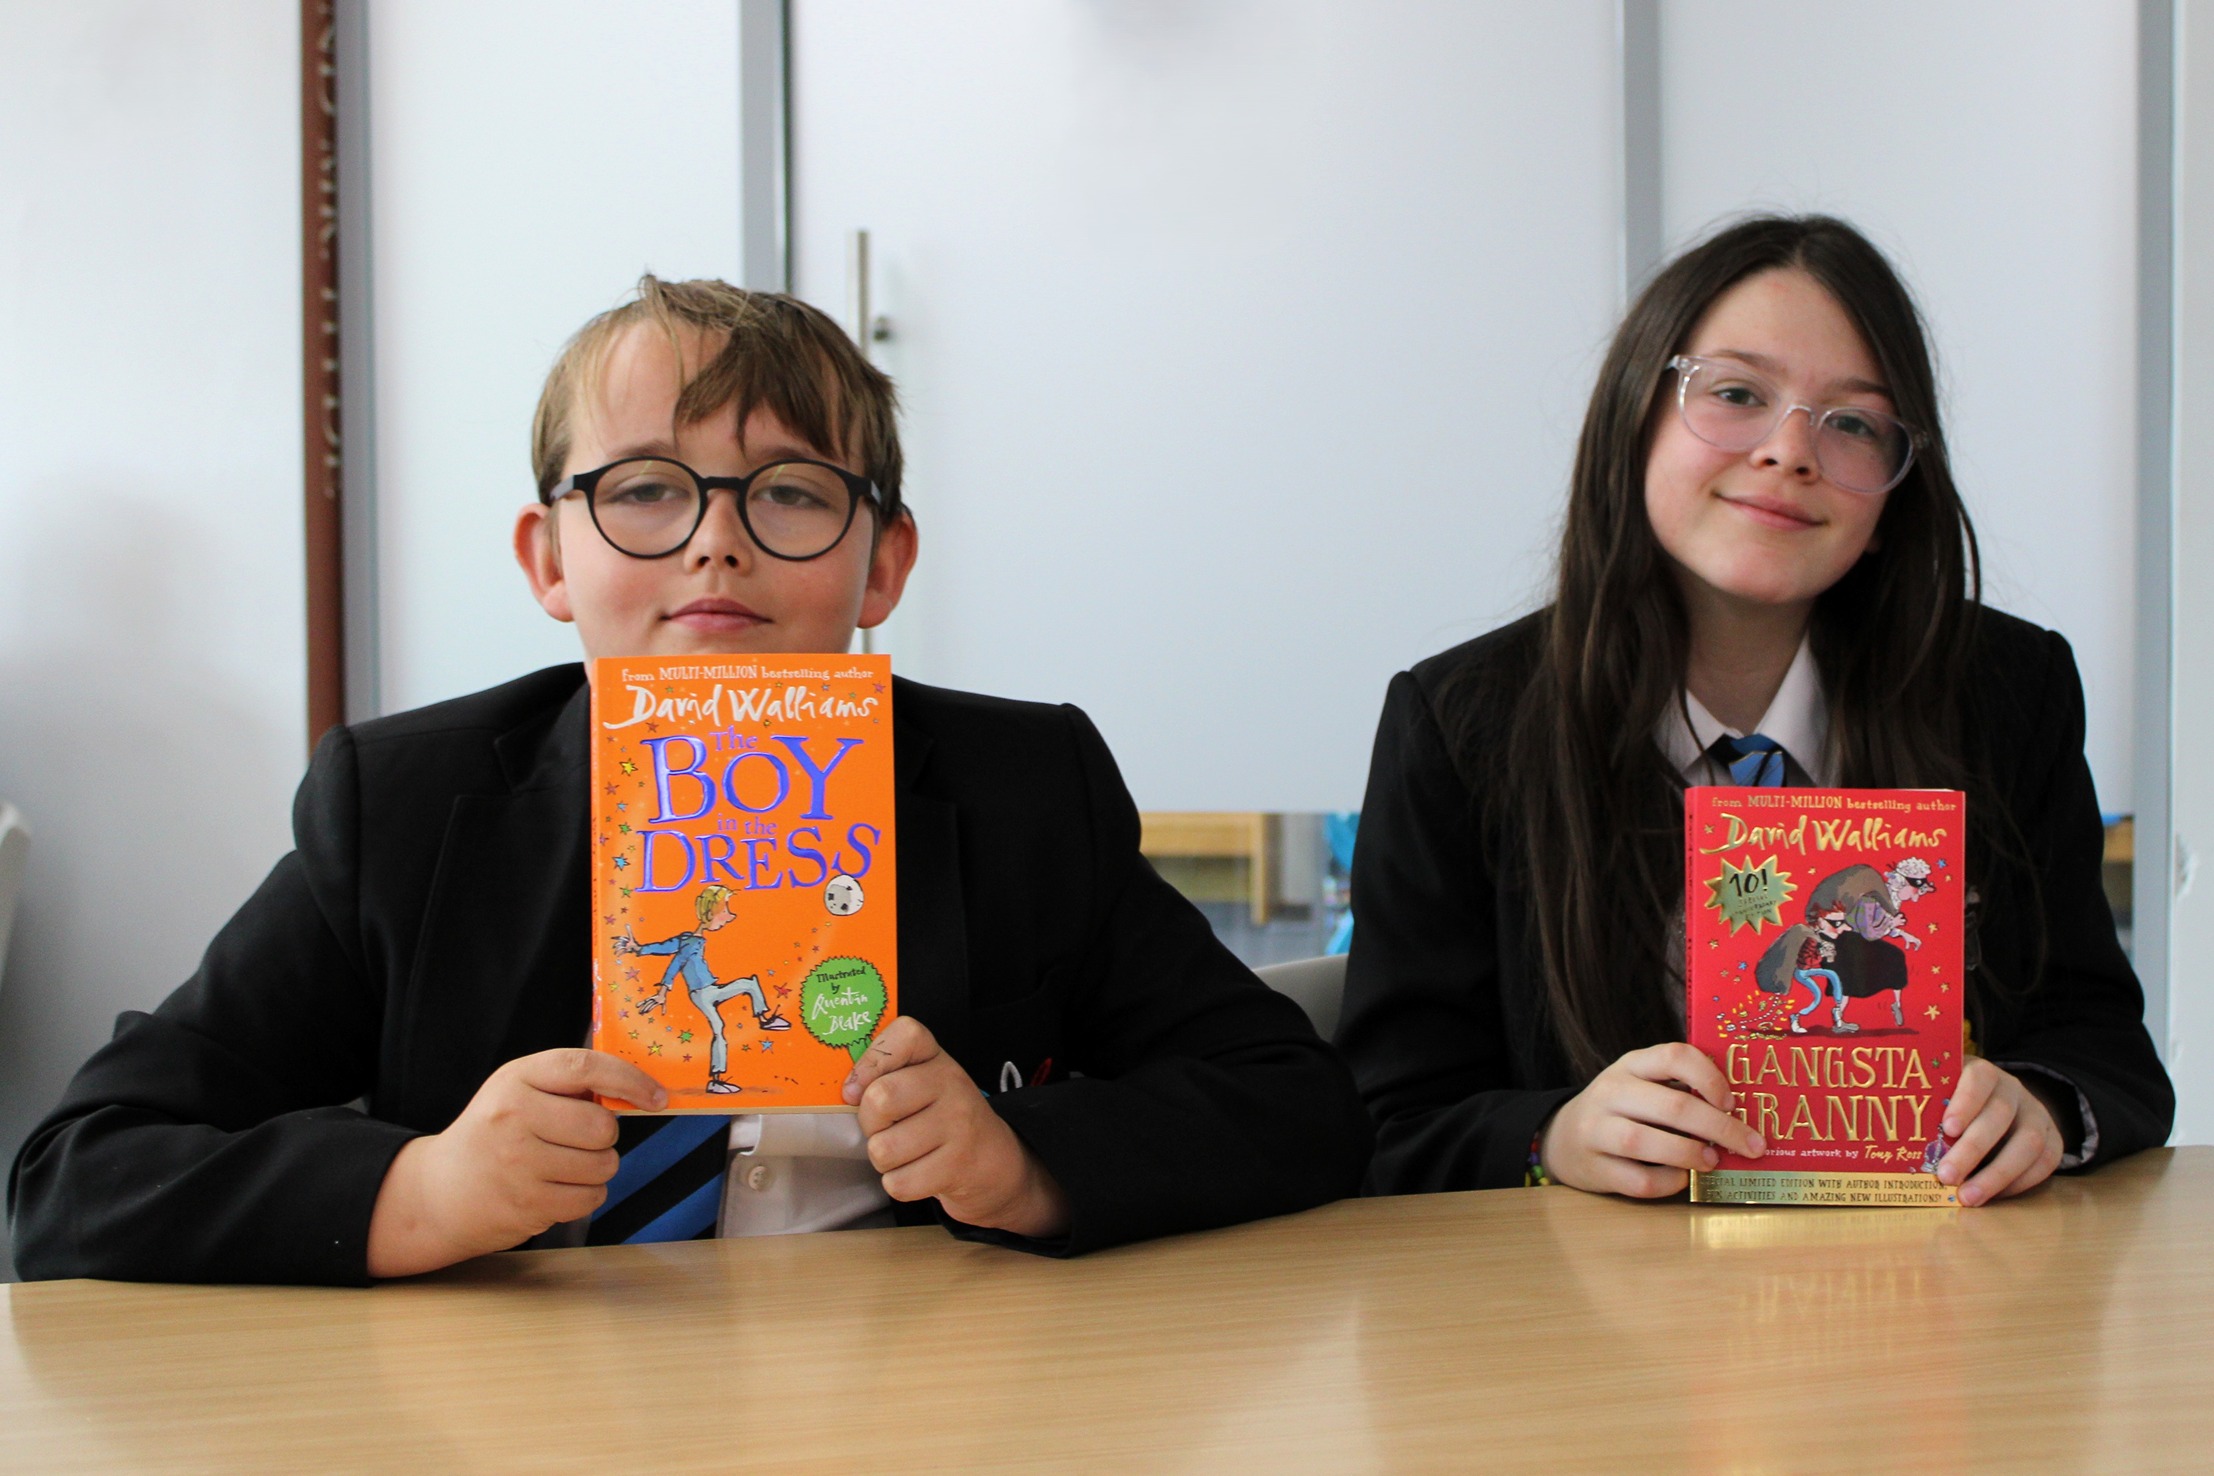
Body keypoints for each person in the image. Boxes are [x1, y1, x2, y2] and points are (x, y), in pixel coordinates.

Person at [9, 277, 1370, 1282]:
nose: (717, 542)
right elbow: (80, 1170)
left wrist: (1025, 1163)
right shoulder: (405, 811)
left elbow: (1292, 1100)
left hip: (919, 1396)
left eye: (791, 492)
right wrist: (419, 1191)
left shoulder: (1022, 788)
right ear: (549, 558)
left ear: (883, 563)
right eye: (647, 490)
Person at [1336, 215, 2172, 1208]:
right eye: (1736, 394)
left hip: (1925, 1278)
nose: (1790, 453)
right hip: (1589, 1290)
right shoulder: (1462, 722)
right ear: (1635, 420)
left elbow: (2102, 1047)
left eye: (1854, 423)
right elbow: (1389, 1120)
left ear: (1892, 498)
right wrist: (1552, 1136)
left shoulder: (2005, 689)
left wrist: (2040, 1106)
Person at [617, 884, 790, 1096]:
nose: (728, 918)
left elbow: (664, 947)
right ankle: (716, 1080)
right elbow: (675, 964)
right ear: (710, 914)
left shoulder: (686, 939)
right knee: (719, 1027)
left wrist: (638, 948)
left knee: (749, 984)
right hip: (702, 993)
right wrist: (662, 991)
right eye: (724, 912)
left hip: (711, 990)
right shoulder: (691, 944)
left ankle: (764, 1020)